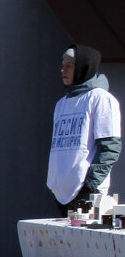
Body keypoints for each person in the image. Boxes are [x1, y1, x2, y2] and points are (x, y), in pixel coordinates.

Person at [47, 44, 121, 213]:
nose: (63, 70)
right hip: (61, 193)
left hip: (86, 193)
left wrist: (90, 186)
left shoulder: (101, 99)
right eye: (62, 65)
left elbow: (110, 148)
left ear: (83, 67)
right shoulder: (62, 103)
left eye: (69, 66)